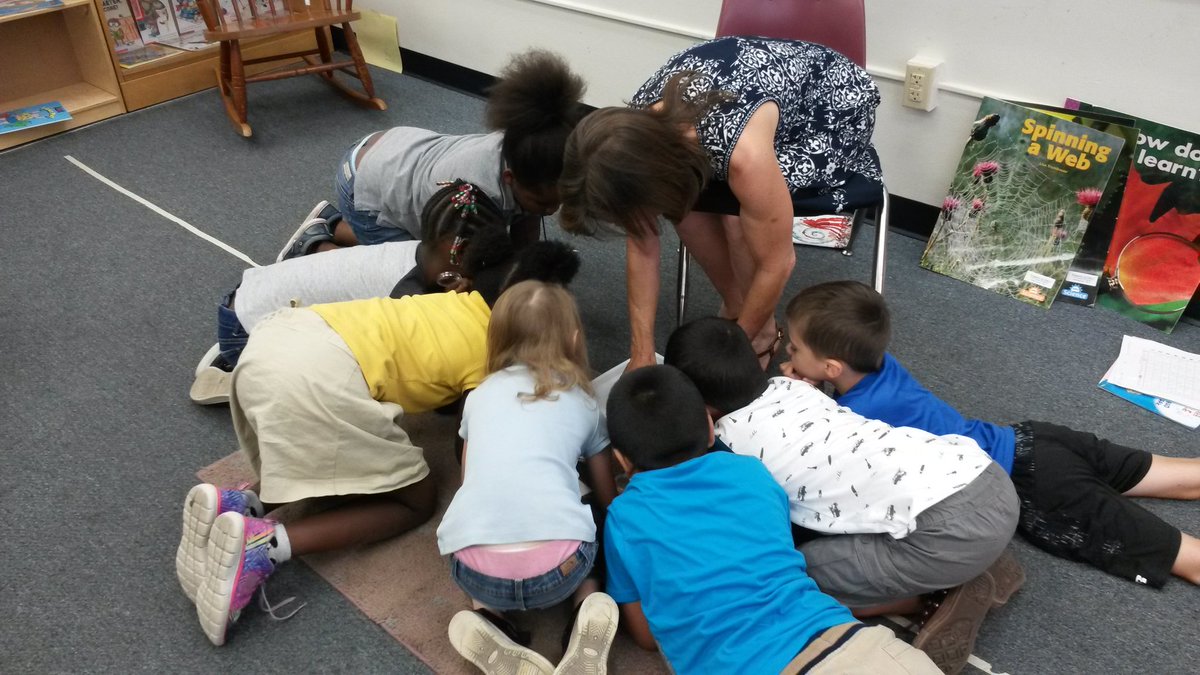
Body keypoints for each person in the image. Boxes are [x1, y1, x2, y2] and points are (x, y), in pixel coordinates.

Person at [174, 240, 582, 647]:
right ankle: (265, 545)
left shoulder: (452, 300)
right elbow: (477, 442)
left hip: (280, 337)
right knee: (414, 500)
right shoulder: (489, 357)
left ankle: (237, 504)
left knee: (322, 452)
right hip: (314, 375)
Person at [783, 280, 1200, 589]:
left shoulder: (853, 420)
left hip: (1033, 485)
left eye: (795, 348)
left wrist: (802, 399)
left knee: (1186, 557)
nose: (788, 353)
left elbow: (827, 458)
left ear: (833, 368)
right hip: (1035, 441)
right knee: (1185, 478)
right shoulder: (879, 361)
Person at [664, 317, 1023, 674]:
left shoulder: (732, 449)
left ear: (699, 405)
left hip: (948, 532)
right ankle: (968, 563)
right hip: (983, 472)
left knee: (787, 578)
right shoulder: (793, 387)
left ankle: (935, 595)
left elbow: (749, 530)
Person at [558, 36, 883, 370]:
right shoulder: (635, 134)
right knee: (685, 210)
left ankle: (761, 335)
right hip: (748, 102)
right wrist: (641, 352)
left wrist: (730, 353)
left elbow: (778, 262)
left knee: (736, 219)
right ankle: (737, 303)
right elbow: (643, 245)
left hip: (829, 106)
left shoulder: (744, 153)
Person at [602, 365, 941, 674]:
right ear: (709, 427)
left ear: (621, 460)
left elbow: (646, 635)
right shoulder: (752, 472)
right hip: (857, 643)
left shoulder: (624, 518)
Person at [190, 180, 510, 405]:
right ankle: (240, 379)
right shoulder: (407, 295)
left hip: (251, 297)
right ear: (459, 257)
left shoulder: (418, 254)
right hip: (247, 330)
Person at [438, 280, 619, 674]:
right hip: (559, 575)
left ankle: (489, 617)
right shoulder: (583, 402)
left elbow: (470, 479)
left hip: (476, 572)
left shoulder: (479, 395)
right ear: (573, 339)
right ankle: (585, 605)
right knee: (597, 513)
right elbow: (607, 494)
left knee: (477, 513)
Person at [278, 49, 589, 260]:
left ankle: (332, 222)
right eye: (543, 202)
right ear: (509, 178)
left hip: (398, 152)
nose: (551, 210)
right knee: (412, 272)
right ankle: (316, 246)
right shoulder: (470, 197)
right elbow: (449, 268)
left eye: (557, 200)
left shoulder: (529, 147)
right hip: (364, 182)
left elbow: (526, 227)